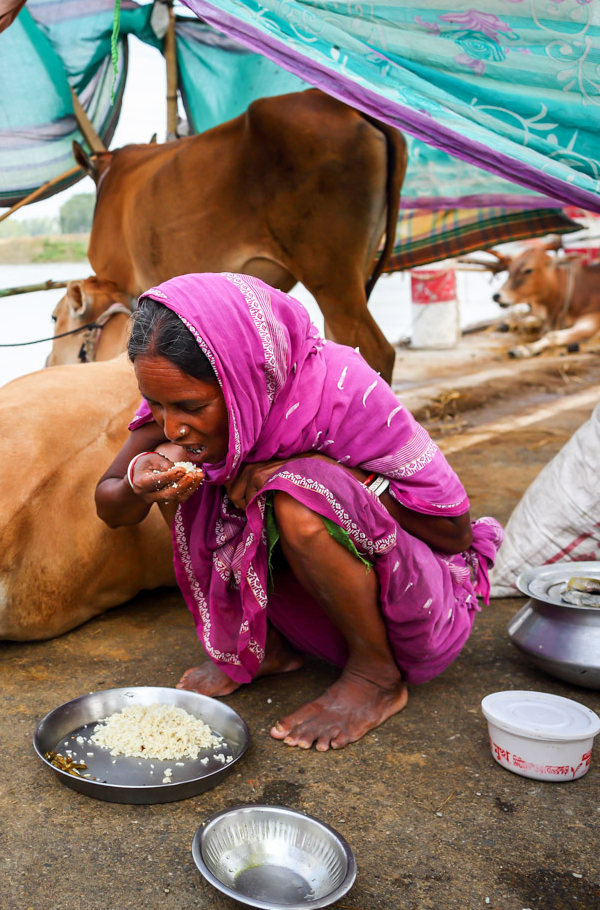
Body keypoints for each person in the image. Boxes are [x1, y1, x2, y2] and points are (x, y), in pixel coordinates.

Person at [94, 272, 503, 751]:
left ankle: (375, 678)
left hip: (411, 602)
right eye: (155, 404)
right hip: (317, 608)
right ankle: (266, 647)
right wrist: (144, 478)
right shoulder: (176, 415)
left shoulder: (344, 390)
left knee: (297, 492)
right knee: (182, 465)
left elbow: (452, 531)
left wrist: (318, 471)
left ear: (245, 376)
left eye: (190, 407)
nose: (172, 423)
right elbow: (111, 505)